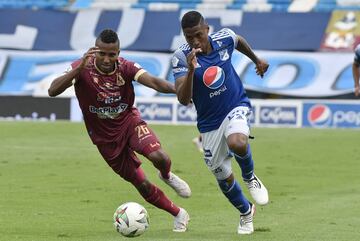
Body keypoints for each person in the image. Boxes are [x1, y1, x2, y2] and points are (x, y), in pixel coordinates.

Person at [48, 29, 191, 232]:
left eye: (111, 54)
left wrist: (179, 90)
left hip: (128, 123)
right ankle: (179, 214)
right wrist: (77, 70)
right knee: (141, 184)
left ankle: (166, 175)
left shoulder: (126, 67)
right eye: (102, 53)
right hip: (104, 140)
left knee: (159, 156)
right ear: (94, 51)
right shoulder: (80, 68)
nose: (106, 59)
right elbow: (52, 91)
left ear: (118, 53)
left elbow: (154, 82)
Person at [172, 11, 269, 235]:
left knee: (237, 142)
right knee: (223, 177)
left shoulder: (223, 38)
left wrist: (257, 60)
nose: (194, 41)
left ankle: (250, 176)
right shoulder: (180, 57)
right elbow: (184, 99)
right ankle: (246, 212)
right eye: (189, 37)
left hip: (235, 105)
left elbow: (239, 41)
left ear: (207, 29)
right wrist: (190, 70)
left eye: (198, 35)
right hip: (209, 124)